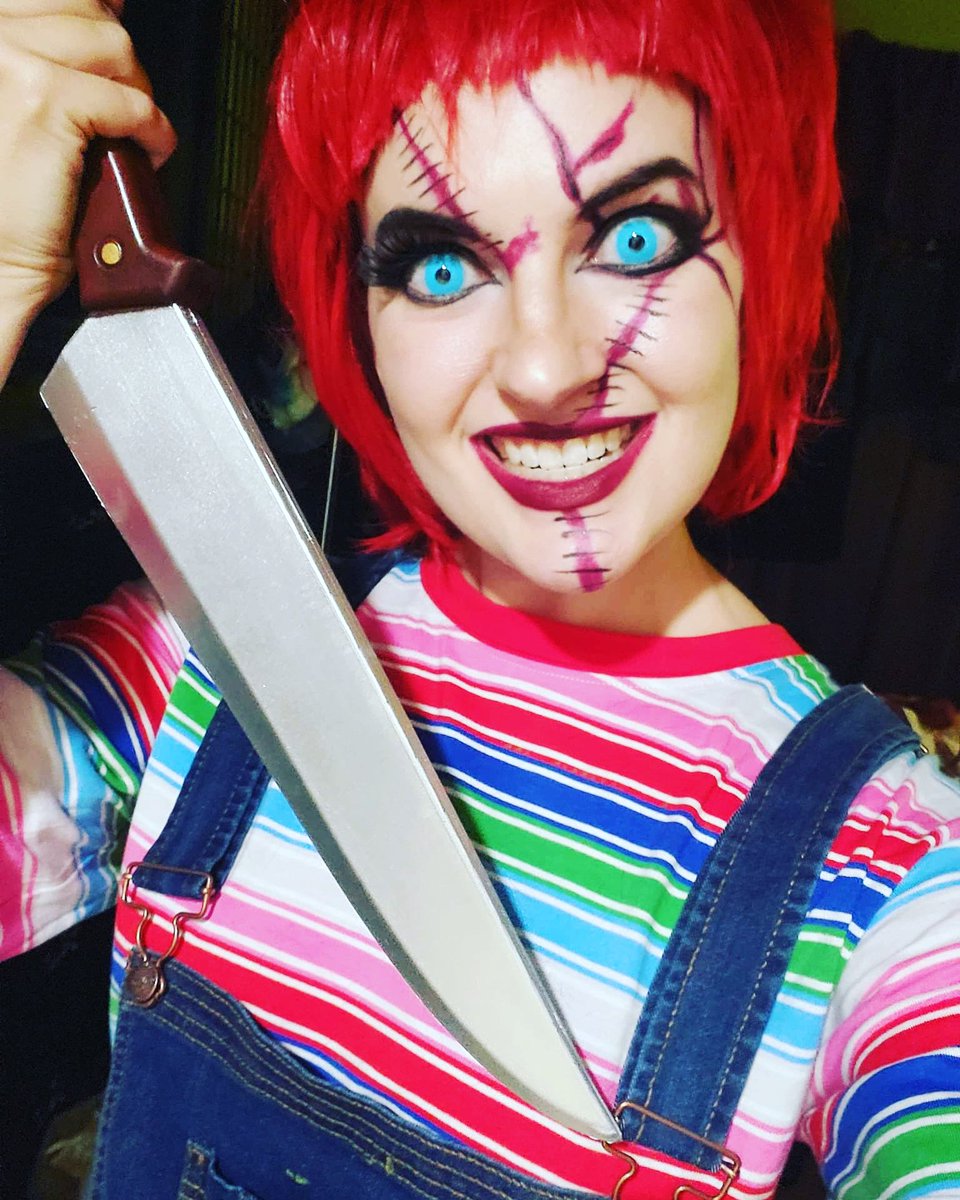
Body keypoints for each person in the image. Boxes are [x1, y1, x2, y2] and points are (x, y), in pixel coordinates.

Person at [1, 0, 958, 1197]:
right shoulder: (203, 655)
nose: (545, 368)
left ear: (761, 253)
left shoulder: (893, 876)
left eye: (638, 239)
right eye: (441, 267)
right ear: (360, 310)